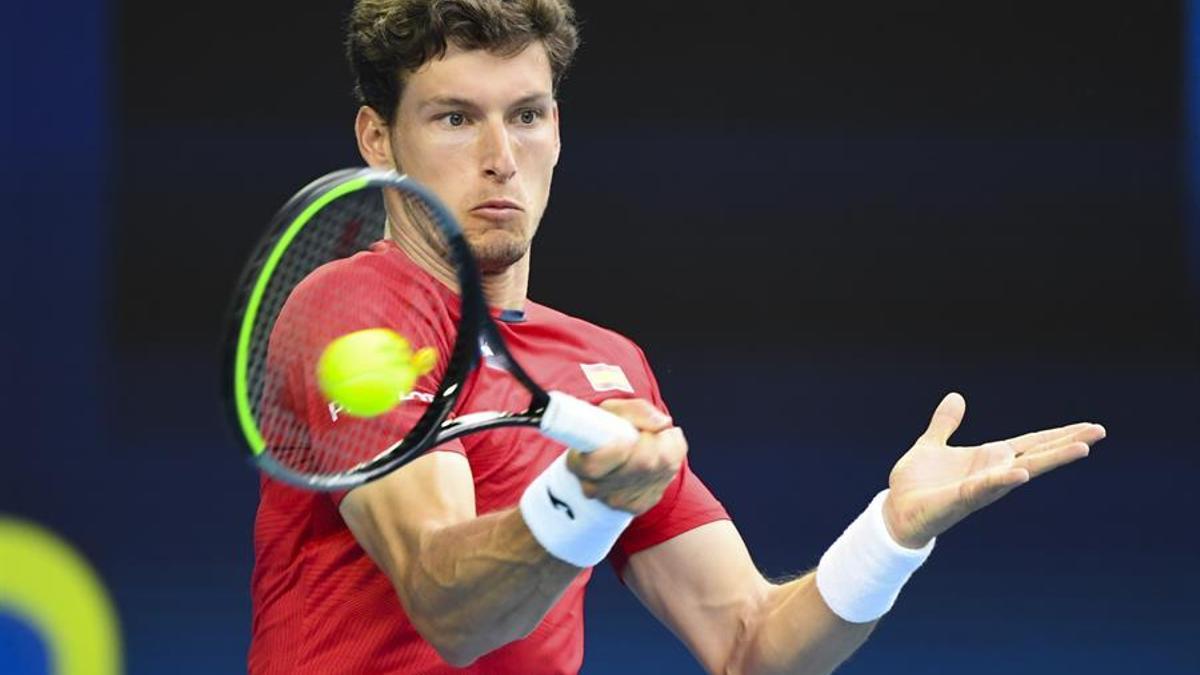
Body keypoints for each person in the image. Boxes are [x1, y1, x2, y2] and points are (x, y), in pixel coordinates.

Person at [248, 1, 1106, 673]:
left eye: (528, 115)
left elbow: (749, 645)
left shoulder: (608, 364)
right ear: (378, 139)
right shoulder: (358, 307)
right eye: (454, 119)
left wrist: (892, 534)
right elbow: (450, 608)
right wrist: (587, 501)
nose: (502, 156)